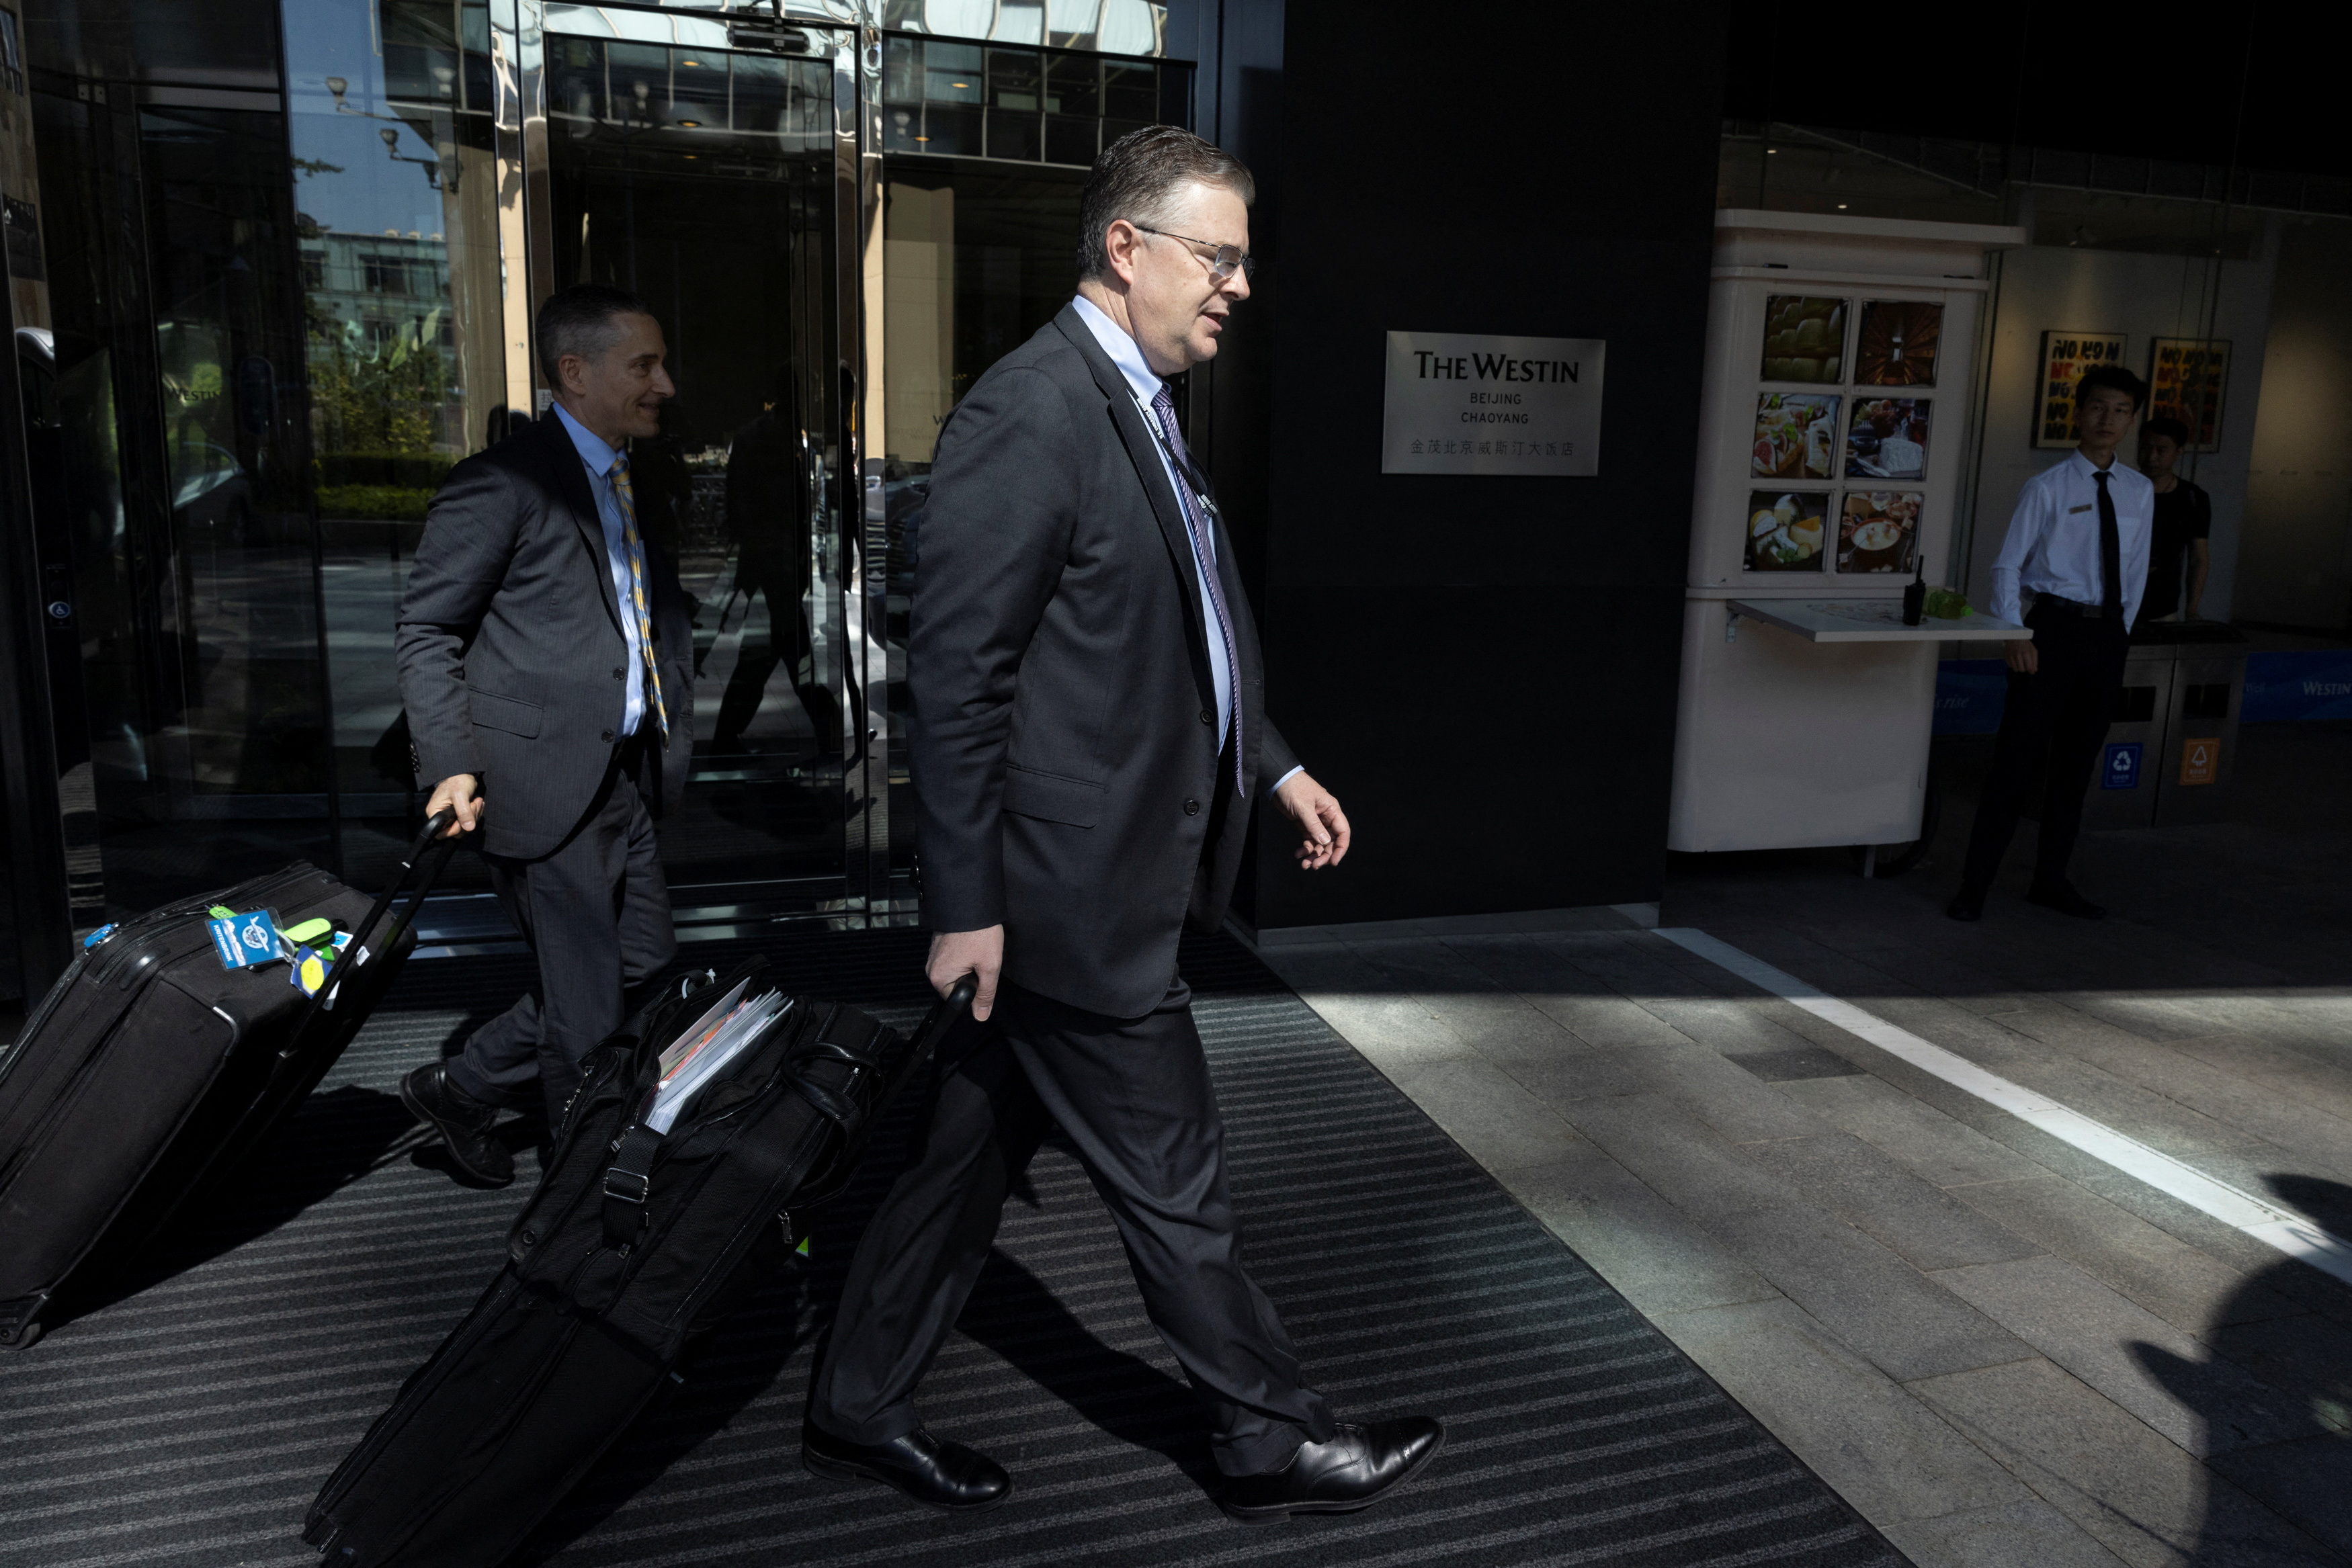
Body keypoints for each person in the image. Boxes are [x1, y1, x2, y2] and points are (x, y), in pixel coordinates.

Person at [799, 127, 1443, 1522]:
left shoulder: (1135, 402)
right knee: (1175, 1180)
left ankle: (856, 1397)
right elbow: (958, 681)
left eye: (1243, 262)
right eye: (1220, 258)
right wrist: (966, 906)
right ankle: (1268, 1439)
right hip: (1069, 898)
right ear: (1125, 246)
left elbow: (1183, 629)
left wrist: (1272, 763)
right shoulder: (1034, 411)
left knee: (961, 1164)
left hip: (1086, 880)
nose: (1240, 287)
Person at [392, 285, 694, 1185]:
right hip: (540, 779)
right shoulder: (501, 483)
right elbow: (427, 629)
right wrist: (450, 765)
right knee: (588, 1010)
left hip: (623, 773)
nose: (664, 385)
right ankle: (577, 1196)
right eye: (643, 365)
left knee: (644, 965)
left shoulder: (632, 476)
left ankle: (461, 1087)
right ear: (576, 371)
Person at [1948, 363, 2153, 923]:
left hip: (2106, 636)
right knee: (2015, 760)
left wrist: (2121, 632)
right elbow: (2006, 565)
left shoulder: (2139, 491)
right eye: (2097, 407)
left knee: (2076, 766)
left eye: (2120, 410)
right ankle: (1974, 885)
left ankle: (2051, 879)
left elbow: (2136, 570)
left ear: (2132, 420)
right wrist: (2015, 632)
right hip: (2051, 632)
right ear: (2079, 413)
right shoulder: (2047, 486)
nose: (2107, 419)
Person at [2137, 415, 2210, 621]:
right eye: (2145, 448)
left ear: (2179, 451)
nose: (2151, 457)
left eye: (2161, 450)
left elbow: (2198, 557)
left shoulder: (2192, 497)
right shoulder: (2120, 490)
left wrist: (2192, 608)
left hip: (2163, 602)